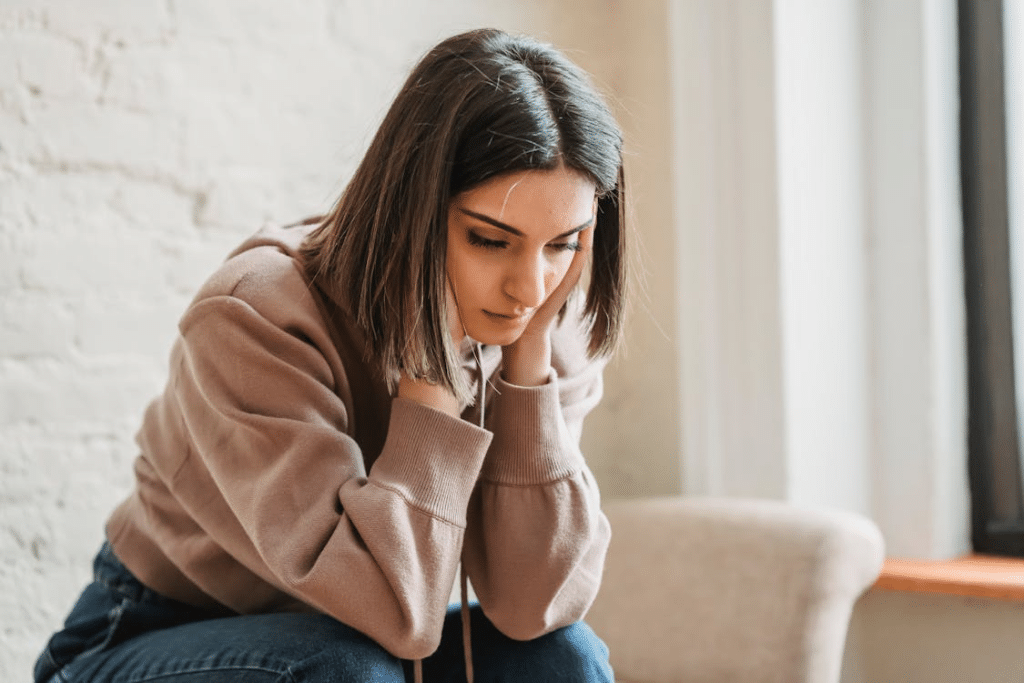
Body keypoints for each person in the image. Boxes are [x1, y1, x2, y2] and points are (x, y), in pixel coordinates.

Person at [34, 27, 626, 683]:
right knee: (345, 669)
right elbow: (395, 613)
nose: (531, 288)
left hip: (365, 644)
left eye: (562, 244)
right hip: (148, 631)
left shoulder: (545, 328)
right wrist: (431, 379)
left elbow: (534, 607)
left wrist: (531, 373)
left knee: (565, 658)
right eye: (490, 239)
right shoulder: (256, 316)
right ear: (411, 206)